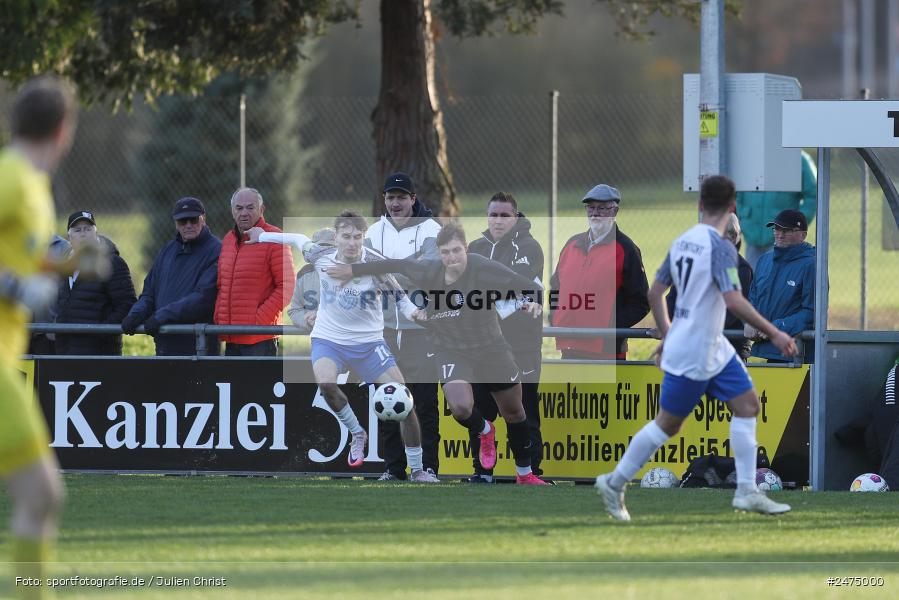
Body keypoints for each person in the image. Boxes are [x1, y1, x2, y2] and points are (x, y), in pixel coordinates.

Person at [595, 175, 798, 520]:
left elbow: (655, 293)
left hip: (708, 344)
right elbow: (734, 300)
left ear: (700, 205)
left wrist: (668, 333)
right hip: (695, 348)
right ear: (733, 207)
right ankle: (615, 481)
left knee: (747, 405)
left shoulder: (683, 241)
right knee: (667, 425)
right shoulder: (722, 248)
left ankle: (746, 490)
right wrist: (775, 333)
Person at [327, 223, 549, 485]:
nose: (451, 258)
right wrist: (352, 270)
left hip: (492, 348)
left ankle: (525, 475)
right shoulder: (428, 270)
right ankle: (485, 431)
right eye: (445, 252)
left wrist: (532, 302)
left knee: (514, 412)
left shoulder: (482, 268)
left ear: (466, 249)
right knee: (461, 408)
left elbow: (530, 286)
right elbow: (393, 265)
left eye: (456, 251)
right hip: (451, 349)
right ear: (439, 254)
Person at [246, 211, 438, 483]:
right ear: (335, 238)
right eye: (346, 236)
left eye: (357, 237)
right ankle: (357, 433)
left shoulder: (374, 263)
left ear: (363, 238)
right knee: (326, 384)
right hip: (329, 339)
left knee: (404, 403)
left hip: (370, 344)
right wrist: (261, 235)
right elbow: (298, 238)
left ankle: (417, 470)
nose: (352, 242)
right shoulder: (320, 256)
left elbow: (400, 298)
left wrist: (416, 314)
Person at [0, 75, 76, 594]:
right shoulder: (12, 176)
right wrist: (15, 286)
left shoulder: (33, 185)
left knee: (42, 497)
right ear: (64, 130)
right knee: (42, 495)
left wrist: (57, 265)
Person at [364, 172, 442, 482]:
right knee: (386, 401)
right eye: (390, 197)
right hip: (381, 331)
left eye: (401, 197)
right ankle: (393, 468)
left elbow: (430, 274)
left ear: (413, 199)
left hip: (420, 330)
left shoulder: (432, 230)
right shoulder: (373, 232)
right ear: (384, 199)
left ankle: (427, 468)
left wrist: (387, 270)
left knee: (423, 402)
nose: (395, 203)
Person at [466, 192, 545, 482]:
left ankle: (531, 471)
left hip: (521, 345)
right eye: (493, 214)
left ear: (515, 217)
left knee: (524, 411)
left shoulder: (529, 247)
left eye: (504, 215)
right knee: (482, 412)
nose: (498, 220)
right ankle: (482, 473)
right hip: (483, 345)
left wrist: (480, 293)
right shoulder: (474, 247)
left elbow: (515, 284)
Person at [550, 184, 649, 360]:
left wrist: (609, 326)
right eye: (591, 207)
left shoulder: (626, 249)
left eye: (602, 208)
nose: (595, 213)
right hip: (569, 346)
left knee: (601, 389)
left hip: (606, 351)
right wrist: (555, 315)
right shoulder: (572, 244)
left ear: (615, 211)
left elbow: (641, 302)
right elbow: (556, 287)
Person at [121, 197, 221, 355]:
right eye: (182, 221)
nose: (188, 225)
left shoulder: (216, 250)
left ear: (203, 219)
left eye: (193, 219)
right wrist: (137, 314)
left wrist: (161, 316)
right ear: (176, 223)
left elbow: (204, 298)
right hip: (165, 343)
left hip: (199, 347)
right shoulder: (167, 250)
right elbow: (149, 292)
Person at [214, 187, 293, 356]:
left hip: (260, 339)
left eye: (250, 207)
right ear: (232, 211)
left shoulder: (275, 237)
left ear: (261, 209)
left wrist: (258, 321)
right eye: (239, 208)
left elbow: (287, 287)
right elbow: (222, 284)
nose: (244, 213)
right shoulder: (228, 240)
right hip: (231, 336)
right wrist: (220, 318)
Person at [667, 213, 753, 361]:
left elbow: (732, 311)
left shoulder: (740, 269)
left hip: (726, 348)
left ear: (733, 238)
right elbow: (673, 298)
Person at [55, 210, 137, 355]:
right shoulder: (64, 265)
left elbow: (127, 305)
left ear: (96, 233)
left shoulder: (113, 263)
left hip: (99, 353)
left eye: (88, 229)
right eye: (77, 230)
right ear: (69, 236)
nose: (83, 234)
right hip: (65, 350)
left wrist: (100, 331)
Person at [745, 209, 815, 363]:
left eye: (787, 230)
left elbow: (812, 313)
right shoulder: (764, 260)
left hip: (792, 356)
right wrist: (750, 321)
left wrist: (775, 328)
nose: (780, 234)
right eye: (776, 229)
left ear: (803, 235)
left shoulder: (812, 265)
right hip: (759, 353)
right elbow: (753, 298)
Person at [737, 150, 817, 269]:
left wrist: (797, 225)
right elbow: (736, 191)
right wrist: (743, 221)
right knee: (755, 282)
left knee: (780, 281)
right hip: (751, 237)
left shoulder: (798, 159)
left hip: (783, 237)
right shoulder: (751, 155)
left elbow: (814, 194)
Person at [27, 234, 71, 355]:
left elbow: (66, 290)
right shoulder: (13, 243)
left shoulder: (63, 247)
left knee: (46, 370)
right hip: (19, 326)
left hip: (47, 328)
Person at [286, 228, 335, 333]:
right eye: (320, 249)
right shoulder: (304, 274)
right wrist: (307, 320)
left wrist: (324, 319)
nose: (324, 253)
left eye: (331, 248)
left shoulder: (351, 273)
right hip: (320, 340)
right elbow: (295, 310)